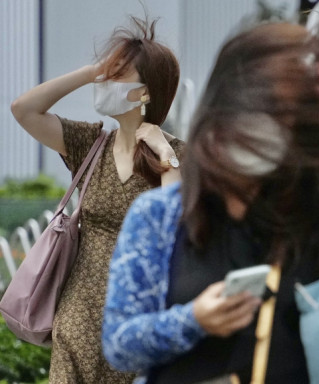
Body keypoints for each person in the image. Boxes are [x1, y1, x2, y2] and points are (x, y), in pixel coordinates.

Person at [102, 22, 319, 383]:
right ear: (222, 109)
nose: (266, 124)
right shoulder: (162, 214)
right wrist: (194, 319)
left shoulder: (318, 216)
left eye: (284, 111)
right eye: (257, 105)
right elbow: (119, 345)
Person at [10, 16, 183, 383]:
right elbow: (23, 109)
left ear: (145, 92)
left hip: (137, 315)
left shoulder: (175, 156)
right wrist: (91, 72)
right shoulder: (90, 144)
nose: (107, 82)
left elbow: (179, 223)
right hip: (79, 313)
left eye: (119, 75)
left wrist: (165, 154)